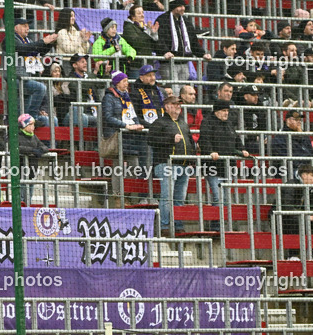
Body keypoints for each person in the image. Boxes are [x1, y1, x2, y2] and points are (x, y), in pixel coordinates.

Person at [149, 96, 196, 231]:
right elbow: (151, 140)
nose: (178, 107)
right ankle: (164, 225)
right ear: (166, 106)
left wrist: (192, 161)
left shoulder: (183, 123)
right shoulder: (159, 123)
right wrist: (171, 139)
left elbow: (190, 142)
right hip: (166, 164)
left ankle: (178, 225)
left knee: (179, 198)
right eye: (175, 104)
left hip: (184, 165)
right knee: (167, 197)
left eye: (179, 104)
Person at [198, 101, 251, 214]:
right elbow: (204, 139)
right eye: (223, 111)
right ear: (216, 112)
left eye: (227, 111)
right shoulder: (207, 122)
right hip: (213, 167)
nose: (226, 113)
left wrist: (242, 149)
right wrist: (210, 152)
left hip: (227, 167)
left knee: (226, 199)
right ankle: (217, 226)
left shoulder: (229, 124)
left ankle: (222, 225)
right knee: (218, 198)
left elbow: (236, 139)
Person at [101, 72, 146, 205]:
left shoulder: (127, 97)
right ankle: (118, 196)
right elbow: (108, 117)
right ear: (117, 83)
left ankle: (128, 193)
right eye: (124, 81)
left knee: (134, 166)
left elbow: (132, 115)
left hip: (130, 136)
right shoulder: (109, 98)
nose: (127, 83)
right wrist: (125, 125)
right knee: (118, 167)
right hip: (117, 134)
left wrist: (137, 124)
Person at [156, 0, 209, 84]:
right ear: (173, 7)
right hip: (169, 63)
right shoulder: (162, 20)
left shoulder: (186, 21)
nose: (183, 8)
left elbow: (193, 41)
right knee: (174, 90)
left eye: (184, 6)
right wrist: (165, 52)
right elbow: (159, 39)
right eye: (180, 6)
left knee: (182, 91)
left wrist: (203, 54)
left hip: (184, 63)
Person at [14, 17, 57, 125]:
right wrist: (42, 41)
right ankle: (31, 118)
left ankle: (30, 118)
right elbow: (23, 49)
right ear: (16, 28)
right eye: (24, 26)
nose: (27, 29)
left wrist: (49, 43)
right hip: (16, 78)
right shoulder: (10, 39)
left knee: (38, 89)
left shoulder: (28, 40)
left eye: (28, 26)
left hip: (28, 78)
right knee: (40, 87)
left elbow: (38, 51)